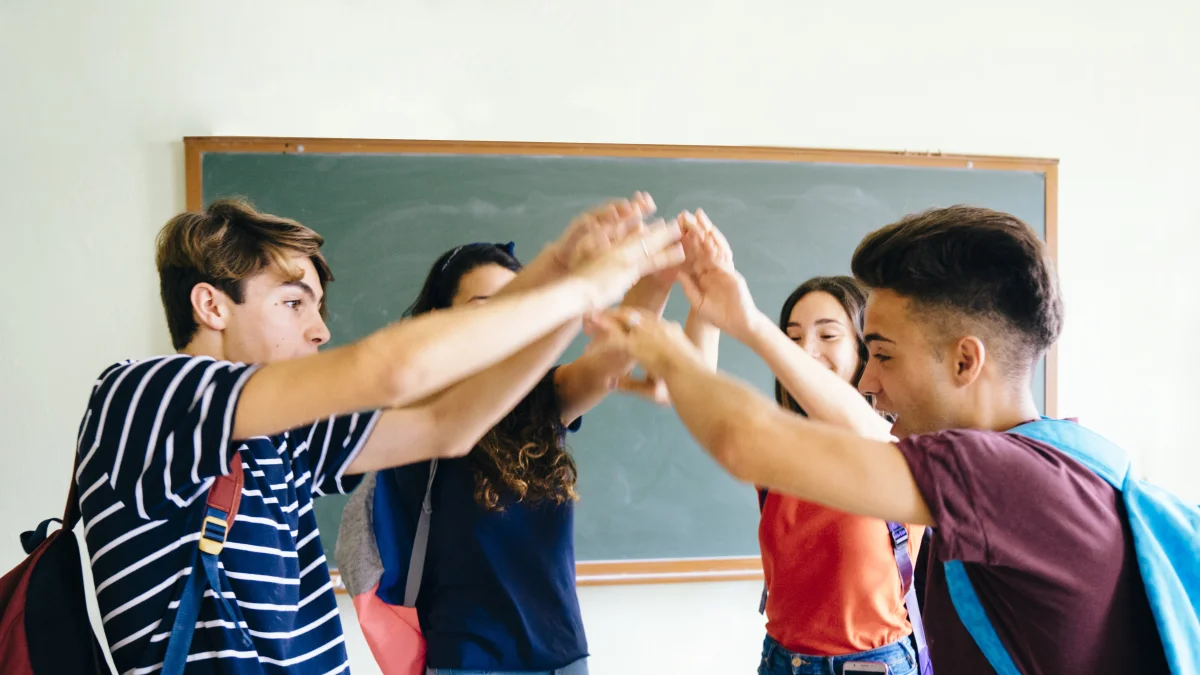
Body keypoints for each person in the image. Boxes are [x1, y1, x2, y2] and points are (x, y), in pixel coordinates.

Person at [75, 194, 683, 675]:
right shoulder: (146, 397)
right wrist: (578, 289)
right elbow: (388, 370)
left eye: (318, 309)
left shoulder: (281, 435)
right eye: (293, 303)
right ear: (211, 306)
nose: (318, 331)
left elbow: (452, 425)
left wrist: (559, 282)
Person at [588, 206, 1169, 673]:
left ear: (966, 360)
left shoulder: (999, 474)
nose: (868, 381)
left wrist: (661, 345)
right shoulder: (1063, 458)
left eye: (883, 354)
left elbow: (743, 441)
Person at [368, 218, 718, 675]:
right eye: (486, 305)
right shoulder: (416, 409)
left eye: (519, 307)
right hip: (467, 659)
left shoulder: (542, 399)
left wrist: (658, 274)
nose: (505, 322)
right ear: (439, 318)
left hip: (562, 656)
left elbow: (612, 356)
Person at [756, 274, 924, 675]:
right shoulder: (776, 447)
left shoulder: (900, 443)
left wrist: (748, 323)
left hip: (869, 666)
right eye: (792, 339)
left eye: (827, 335)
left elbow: (863, 427)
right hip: (779, 660)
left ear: (867, 351)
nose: (804, 352)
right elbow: (701, 387)